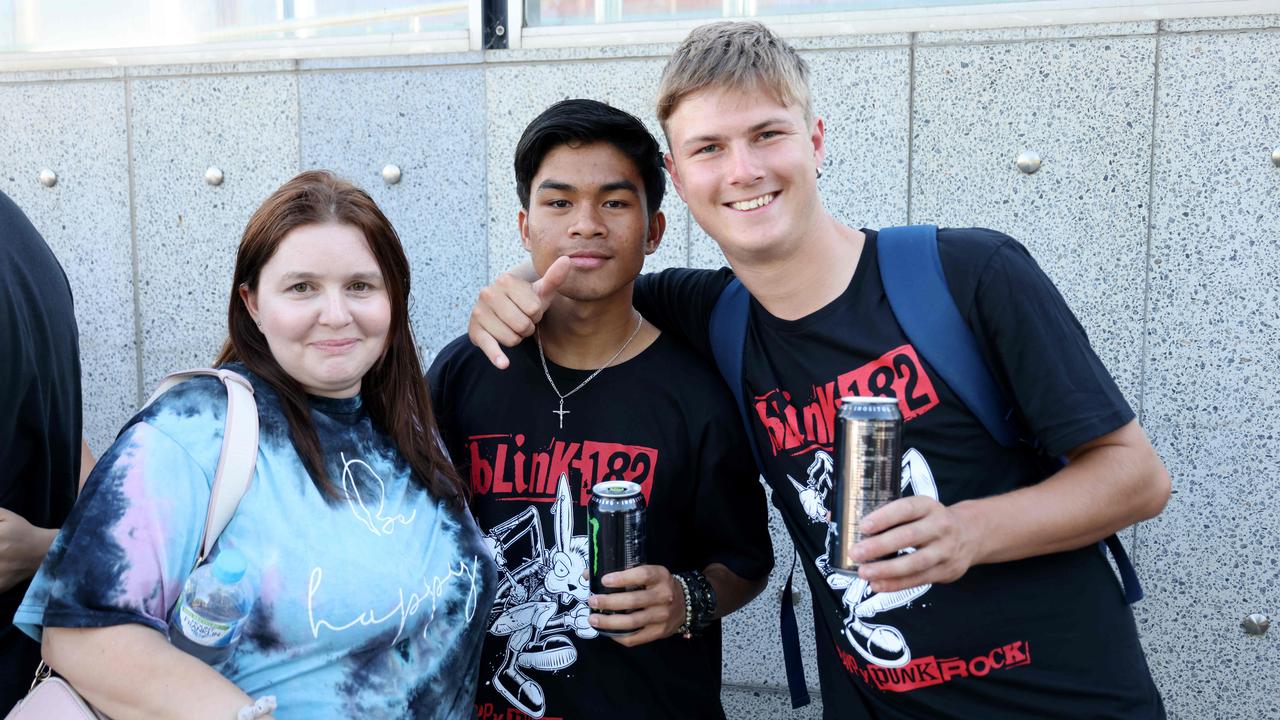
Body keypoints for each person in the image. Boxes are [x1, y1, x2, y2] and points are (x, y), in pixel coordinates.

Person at [466, 22, 1172, 720]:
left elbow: (1135, 477)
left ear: (816, 141)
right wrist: (519, 281)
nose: (743, 170)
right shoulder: (714, 315)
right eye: (710, 148)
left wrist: (968, 532)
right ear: (678, 181)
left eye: (767, 134)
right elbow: (598, 275)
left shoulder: (968, 275)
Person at [15, 171, 497, 719]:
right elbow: (81, 636)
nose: (336, 314)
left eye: (361, 286)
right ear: (252, 303)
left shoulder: (406, 422)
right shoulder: (194, 428)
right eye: (302, 287)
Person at [428, 99, 772, 720]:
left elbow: (744, 563)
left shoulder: (697, 393)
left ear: (655, 230)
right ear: (525, 225)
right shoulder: (465, 370)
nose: (585, 224)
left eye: (614, 202)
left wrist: (686, 600)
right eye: (558, 203)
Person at [0, 191, 97, 708]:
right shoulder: (19, 234)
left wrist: (45, 547)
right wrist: (51, 547)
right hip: (43, 666)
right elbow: (103, 501)